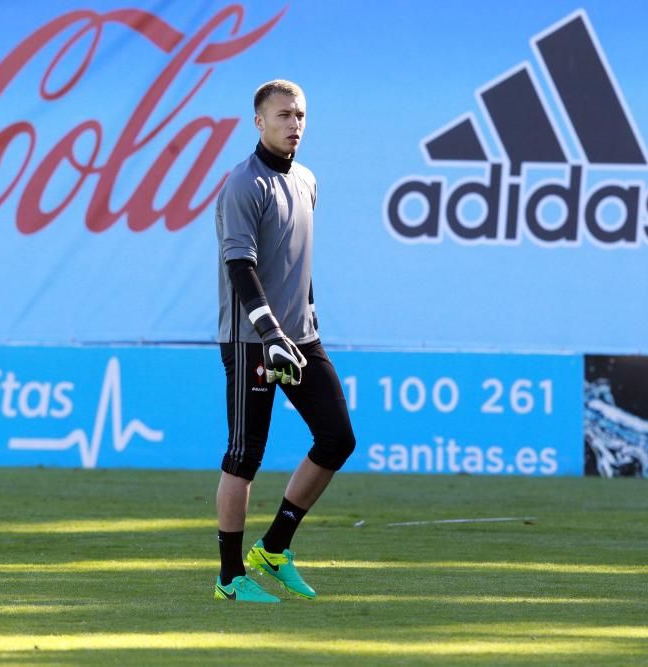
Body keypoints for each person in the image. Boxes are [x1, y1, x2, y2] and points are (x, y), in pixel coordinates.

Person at [213, 79, 356, 603]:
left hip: (300, 337)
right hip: (254, 340)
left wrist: (306, 315)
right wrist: (270, 332)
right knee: (244, 455)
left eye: (300, 115)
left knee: (337, 438)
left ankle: (274, 549)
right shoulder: (243, 184)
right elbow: (240, 266)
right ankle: (230, 578)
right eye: (282, 115)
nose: (294, 123)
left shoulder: (307, 181)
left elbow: (299, 262)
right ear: (258, 121)